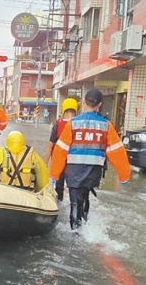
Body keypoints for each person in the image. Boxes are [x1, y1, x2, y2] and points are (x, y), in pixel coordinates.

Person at [50, 89, 131, 229]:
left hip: (74, 170)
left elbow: (60, 150)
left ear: (83, 102)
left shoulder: (73, 123)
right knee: (85, 195)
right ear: (99, 105)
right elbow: (117, 151)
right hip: (94, 171)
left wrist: (54, 174)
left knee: (74, 201)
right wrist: (124, 175)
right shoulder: (106, 125)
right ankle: (85, 223)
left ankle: (75, 231)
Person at [45, 98, 79, 201]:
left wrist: (45, 163)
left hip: (59, 161)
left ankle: (59, 203)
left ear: (63, 111)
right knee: (74, 187)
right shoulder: (78, 125)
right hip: (74, 161)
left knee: (58, 185)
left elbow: (50, 146)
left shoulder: (57, 126)